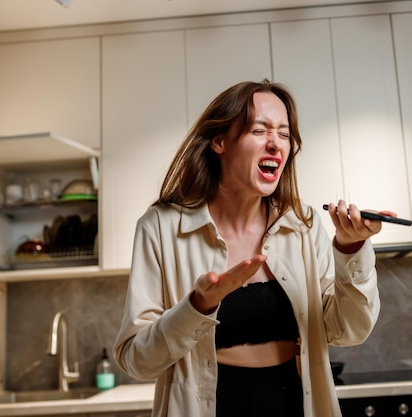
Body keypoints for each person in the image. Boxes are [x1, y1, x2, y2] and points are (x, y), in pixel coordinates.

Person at [113, 79, 392, 417]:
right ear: (220, 142)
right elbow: (136, 361)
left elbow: (349, 331)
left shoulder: (301, 224)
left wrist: (351, 250)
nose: (276, 144)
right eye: (259, 130)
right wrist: (199, 306)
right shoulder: (161, 227)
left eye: (285, 134)